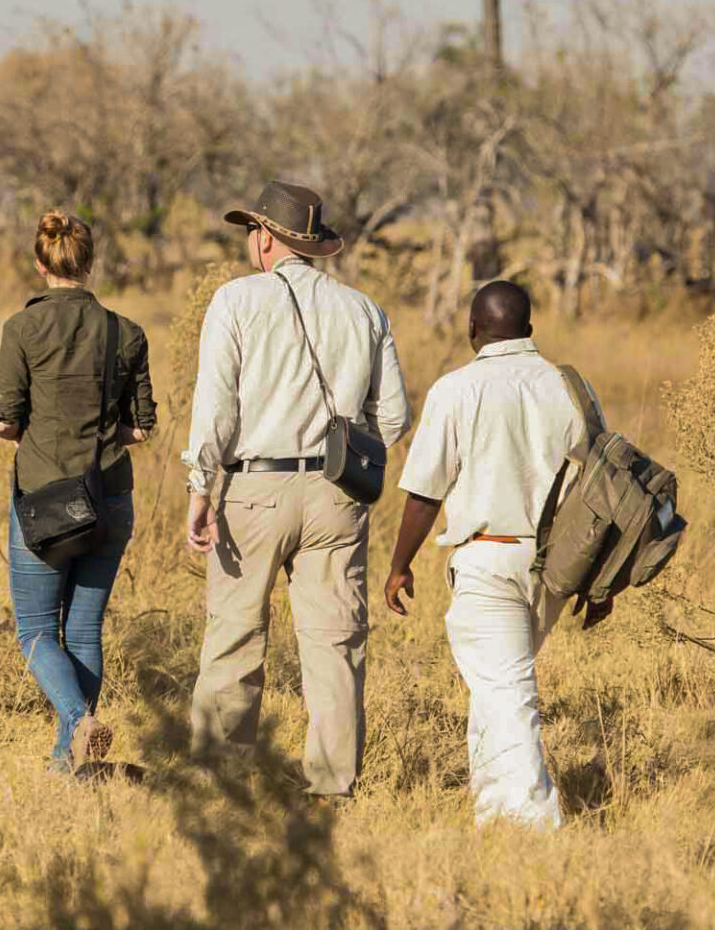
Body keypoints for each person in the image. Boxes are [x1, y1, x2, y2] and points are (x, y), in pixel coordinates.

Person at [182, 180, 411, 799]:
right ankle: (332, 787)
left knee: (234, 636)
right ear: (312, 246)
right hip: (337, 494)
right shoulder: (363, 309)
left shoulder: (235, 301)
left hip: (254, 487)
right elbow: (392, 419)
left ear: (263, 239)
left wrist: (200, 488)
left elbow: (215, 412)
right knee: (335, 642)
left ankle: (222, 785)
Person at [382, 279, 597, 831]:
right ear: (529, 330)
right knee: (495, 686)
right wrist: (601, 581)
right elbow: (604, 492)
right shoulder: (570, 387)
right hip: (556, 566)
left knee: (507, 690)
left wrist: (399, 562)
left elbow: (426, 490)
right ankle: (491, 813)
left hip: (488, 560)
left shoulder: (456, 389)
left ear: (473, 331)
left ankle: (534, 820)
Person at [0, 211, 157, 773]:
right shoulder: (126, 332)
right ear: (90, 264)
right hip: (108, 493)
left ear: (41, 264)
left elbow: (4, 422)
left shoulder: (22, 328)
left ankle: (79, 723)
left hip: (44, 497)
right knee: (83, 627)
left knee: (35, 631)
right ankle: (68, 761)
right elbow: (141, 427)